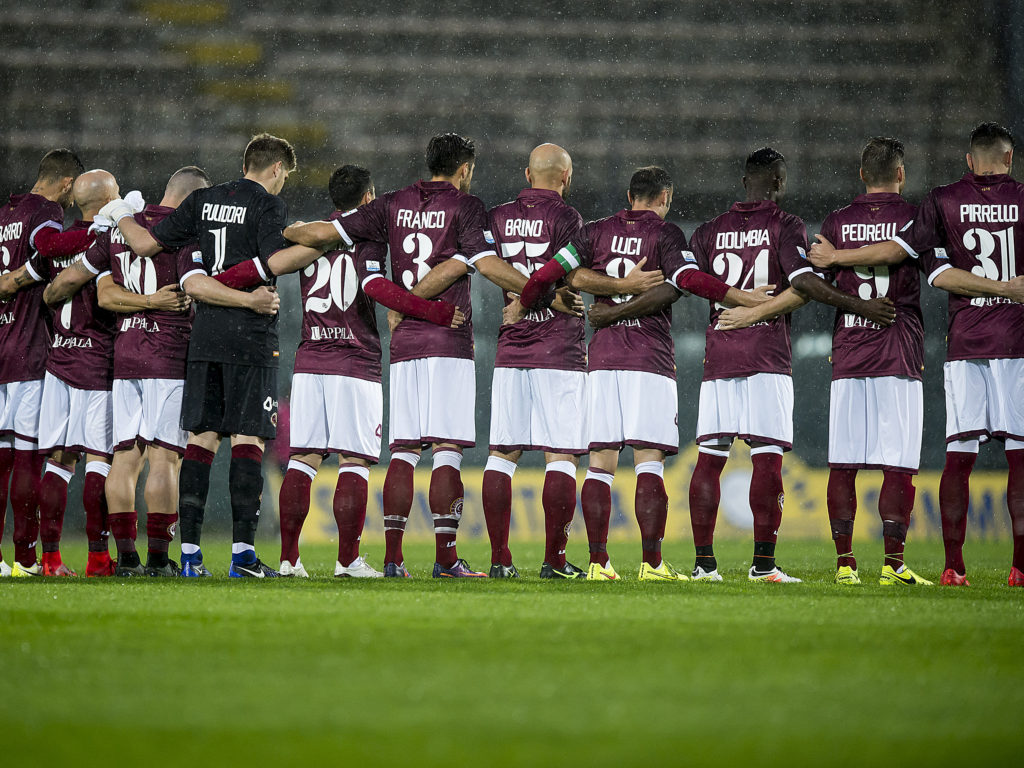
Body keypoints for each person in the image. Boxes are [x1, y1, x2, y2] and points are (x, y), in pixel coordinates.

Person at [284, 133, 579, 578]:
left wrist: (287, 229)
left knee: (404, 451)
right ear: (464, 169)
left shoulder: (391, 202)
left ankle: (392, 559)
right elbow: (484, 264)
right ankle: (446, 558)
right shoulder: (467, 207)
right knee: (446, 450)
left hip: (403, 345)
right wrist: (540, 294)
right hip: (449, 338)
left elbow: (323, 233)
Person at [213, 164, 467, 578]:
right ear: (368, 199)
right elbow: (373, 286)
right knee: (354, 462)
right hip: (354, 362)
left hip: (310, 360)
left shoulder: (310, 235)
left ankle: (289, 560)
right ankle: (347, 560)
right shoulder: (366, 238)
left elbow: (265, 265)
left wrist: (217, 282)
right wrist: (429, 310)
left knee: (302, 461)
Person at [514, 166, 767, 580]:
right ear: (665, 198)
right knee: (649, 462)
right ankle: (651, 564)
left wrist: (527, 301)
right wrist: (742, 298)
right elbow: (687, 280)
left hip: (602, 360)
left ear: (630, 195)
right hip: (648, 359)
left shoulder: (595, 231)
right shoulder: (666, 235)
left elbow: (552, 272)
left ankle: (598, 563)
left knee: (600, 464)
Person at [809, 122, 1024, 587]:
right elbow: (924, 265)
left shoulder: (837, 222)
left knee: (845, 462)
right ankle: (896, 564)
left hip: (854, 348)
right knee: (901, 463)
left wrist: (840, 273)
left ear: (861, 173)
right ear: (901, 174)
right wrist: (1007, 289)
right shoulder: (915, 214)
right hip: (905, 349)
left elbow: (816, 285)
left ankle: (849, 565)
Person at [100, 133, 296, 577]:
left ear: (244, 164)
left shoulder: (203, 201)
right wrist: (307, 246)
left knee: (201, 440)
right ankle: (243, 557)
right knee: (248, 440)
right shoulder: (269, 205)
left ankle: (189, 556)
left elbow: (145, 245)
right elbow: (275, 261)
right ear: (277, 169)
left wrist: (120, 212)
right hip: (250, 333)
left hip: (204, 335)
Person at [683, 148, 839, 584]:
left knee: (709, 460)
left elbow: (689, 279)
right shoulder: (786, 224)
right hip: (767, 356)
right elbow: (803, 285)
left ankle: (703, 564)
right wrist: (758, 311)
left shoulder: (710, 229)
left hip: (719, 355)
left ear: (743, 182)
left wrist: (732, 304)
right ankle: (763, 565)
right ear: (779, 182)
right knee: (767, 461)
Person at [483, 143, 621, 578]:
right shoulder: (568, 219)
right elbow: (565, 275)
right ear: (566, 177)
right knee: (561, 456)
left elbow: (491, 266)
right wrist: (553, 300)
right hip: (558, 348)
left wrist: (521, 301)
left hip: (511, 346)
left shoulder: (497, 217)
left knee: (502, 454)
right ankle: (554, 561)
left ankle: (500, 560)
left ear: (527, 174)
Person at [91, 167, 211, 576]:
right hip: (168, 354)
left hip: (126, 353)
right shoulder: (184, 232)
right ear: (193, 199)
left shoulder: (121, 228)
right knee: (165, 460)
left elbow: (104, 293)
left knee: (125, 458)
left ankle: (126, 558)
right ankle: (159, 558)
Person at [0, 149, 85, 577]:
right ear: (67, 183)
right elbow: (48, 248)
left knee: (1, 460)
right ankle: (26, 558)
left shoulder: (4, 214)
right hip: (28, 347)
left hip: (1, 343)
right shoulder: (46, 211)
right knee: (27, 458)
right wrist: (96, 234)